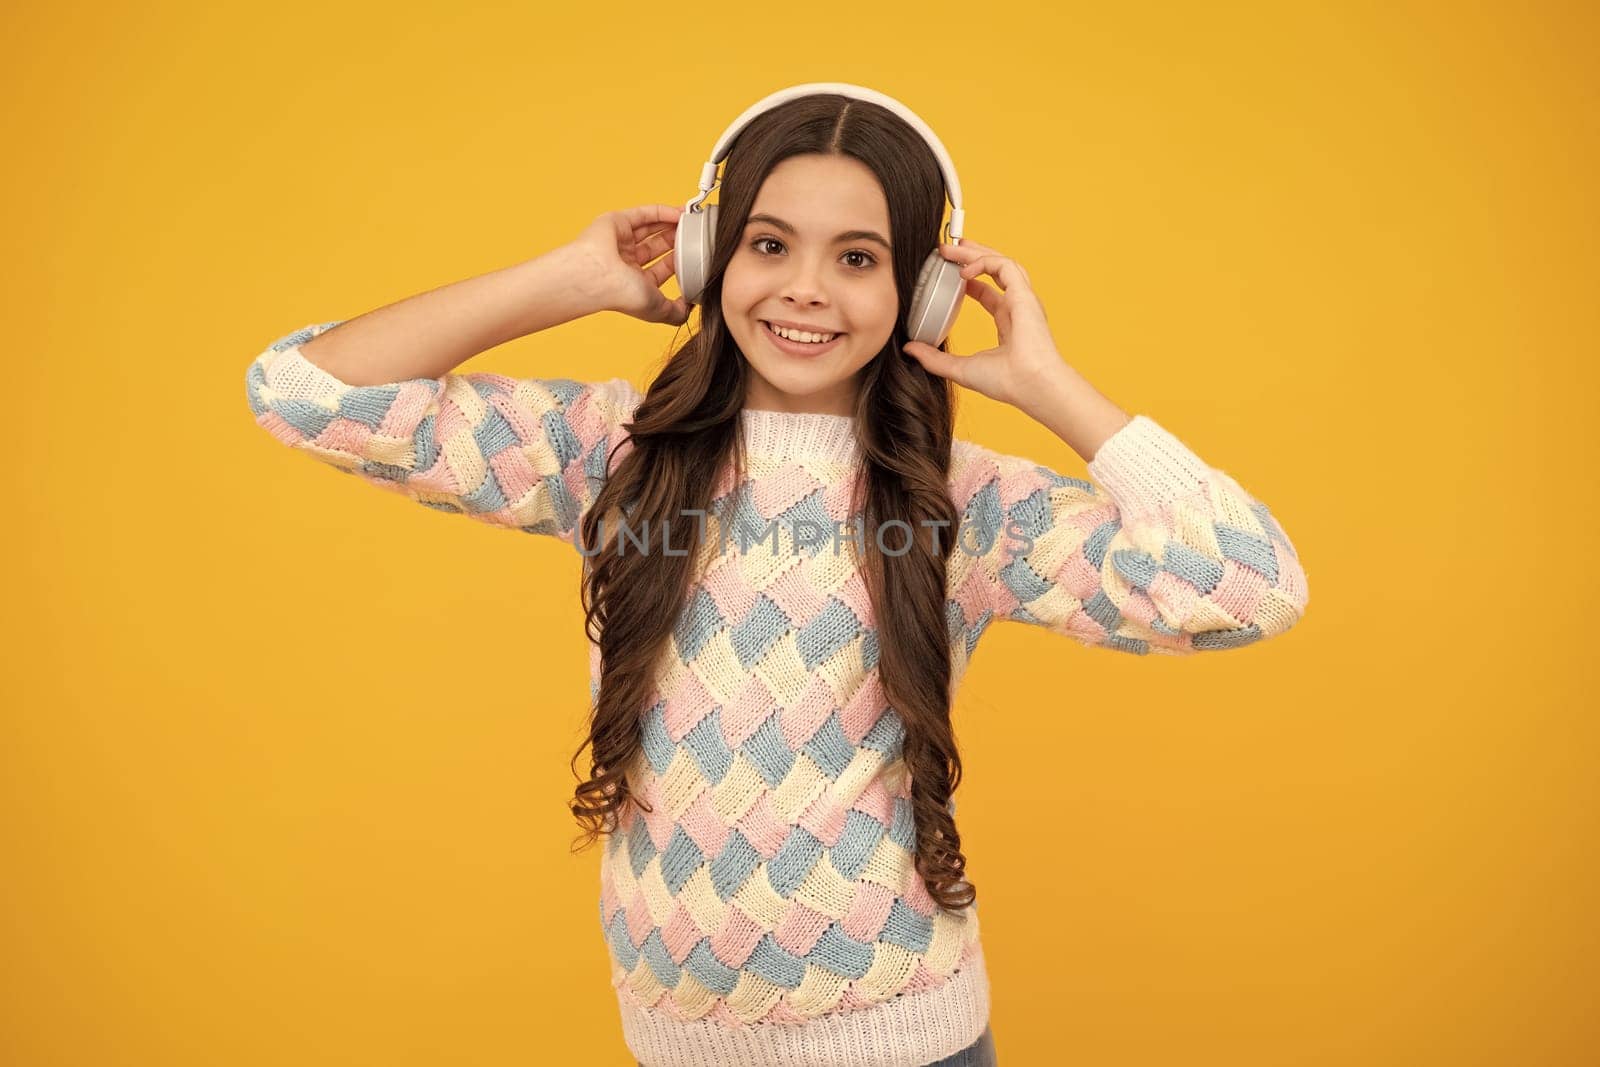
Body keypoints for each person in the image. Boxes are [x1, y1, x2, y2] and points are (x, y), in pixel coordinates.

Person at [243, 89, 1310, 1067]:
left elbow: (1246, 584)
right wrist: (566, 280)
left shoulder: (964, 504)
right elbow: (299, 394)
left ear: (923, 295)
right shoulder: (605, 454)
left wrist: (1051, 386)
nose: (804, 288)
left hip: (906, 1043)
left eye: (857, 259)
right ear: (711, 259)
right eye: (766, 244)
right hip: (672, 1044)